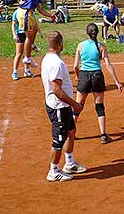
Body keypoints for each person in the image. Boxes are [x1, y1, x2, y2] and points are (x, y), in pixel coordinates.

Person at [41, 31, 87, 182]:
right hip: (59, 107)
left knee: (71, 132)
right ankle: (53, 171)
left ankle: (70, 163)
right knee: (58, 141)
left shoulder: (48, 58)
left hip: (63, 106)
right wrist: (75, 104)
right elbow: (56, 89)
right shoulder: (56, 63)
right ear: (60, 44)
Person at [73, 23, 122, 144]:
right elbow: (108, 65)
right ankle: (103, 135)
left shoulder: (80, 45)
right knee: (99, 107)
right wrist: (116, 81)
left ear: (87, 33)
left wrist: (78, 76)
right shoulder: (101, 46)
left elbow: (75, 66)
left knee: (78, 106)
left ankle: (71, 133)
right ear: (97, 33)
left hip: (84, 75)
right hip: (97, 76)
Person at [6, 0, 53, 68]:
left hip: (30, 14)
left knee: (35, 31)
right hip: (24, 12)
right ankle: (27, 56)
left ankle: (30, 48)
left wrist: (51, 15)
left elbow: (40, 10)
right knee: (29, 35)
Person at [11, 0, 33, 80]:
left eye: (25, 0)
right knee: (19, 53)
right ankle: (15, 72)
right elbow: (13, 25)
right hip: (20, 34)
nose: (24, 1)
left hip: (28, 33)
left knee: (28, 54)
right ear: (19, 2)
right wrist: (14, 35)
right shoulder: (16, 12)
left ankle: (27, 71)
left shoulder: (29, 11)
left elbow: (33, 22)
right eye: (22, 0)